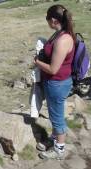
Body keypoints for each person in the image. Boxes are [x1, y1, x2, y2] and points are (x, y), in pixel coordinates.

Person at [34, 5, 75, 160]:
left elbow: (53, 69)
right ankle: (55, 137)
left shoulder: (63, 40)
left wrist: (37, 62)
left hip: (57, 83)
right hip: (56, 83)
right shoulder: (61, 33)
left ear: (53, 20)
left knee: (57, 118)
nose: (47, 22)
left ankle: (59, 149)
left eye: (47, 19)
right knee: (55, 114)